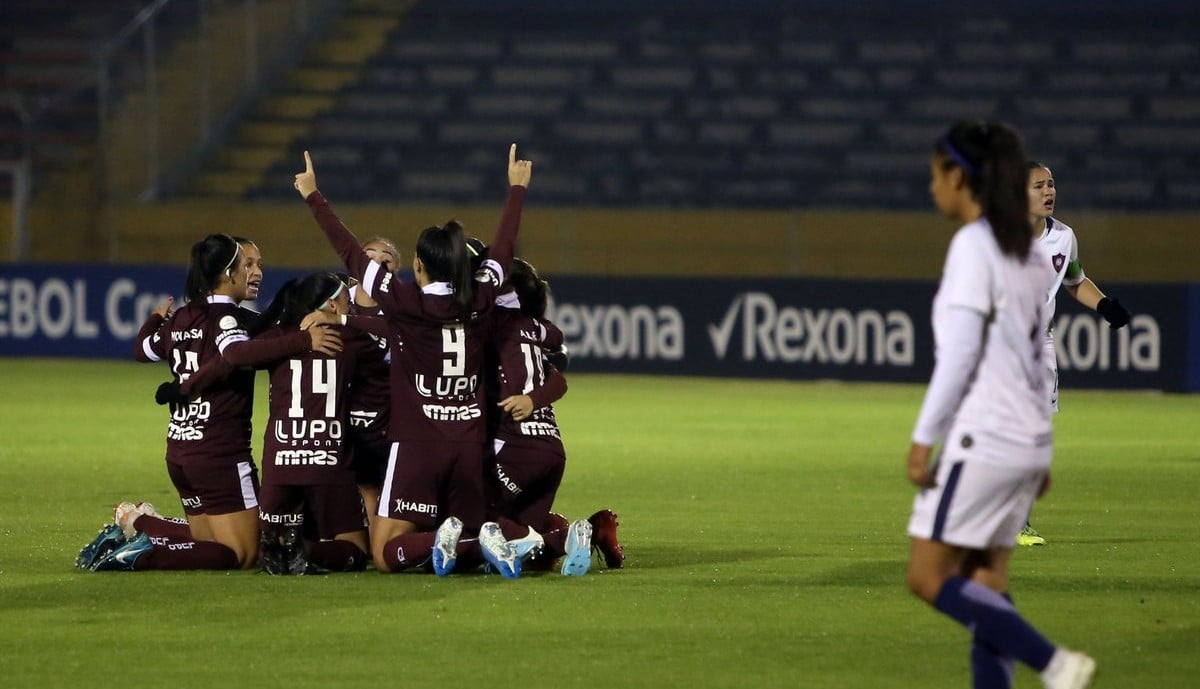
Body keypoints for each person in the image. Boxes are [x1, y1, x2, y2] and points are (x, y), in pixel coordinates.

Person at [904, 121, 1096, 689]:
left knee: (926, 576)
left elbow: (960, 357)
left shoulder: (974, 246)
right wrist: (1041, 449)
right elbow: (1037, 359)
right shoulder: (1032, 255)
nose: (932, 186)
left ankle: (1054, 663)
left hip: (985, 436)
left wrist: (921, 440)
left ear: (959, 176)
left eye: (937, 173)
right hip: (1026, 441)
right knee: (987, 584)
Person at [295, 144, 532, 578]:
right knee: (465, 531)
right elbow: (502, 252)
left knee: (386, 554)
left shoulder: (404, 301)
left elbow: (350, 252)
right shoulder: (481, 296)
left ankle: (450, 539)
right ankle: (496, 538)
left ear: (418, 265)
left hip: (416, 445)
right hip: (467, 444)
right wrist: (516, 190)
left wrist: (313, 194)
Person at [78, 234, 276, 571]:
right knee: (243, 555)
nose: (256, 272)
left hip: (181, 452)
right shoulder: (232, 322)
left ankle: (139, 523)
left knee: (209, 545)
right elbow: (233, 356)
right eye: (249, 265)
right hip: (220, 455)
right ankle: (145, 552)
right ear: (228, 273)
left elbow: (144, 351)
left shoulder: (182, 317)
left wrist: (156, 318)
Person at [220, 272, 373, 574]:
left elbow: (237, 355)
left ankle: (289, 545)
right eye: (346, 297)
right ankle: (307, 549)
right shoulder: (351, 339)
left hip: (280, 466)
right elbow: (398, 337)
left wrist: (299, 340)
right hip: (330, 464)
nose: (351, 304)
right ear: (331, 305)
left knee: (268, 546)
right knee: (356, 551)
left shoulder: (280, 340)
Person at [1017, 162, 1131, 546]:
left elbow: (1075, 280)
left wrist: (1104, 307)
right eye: (1038, 186)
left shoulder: (1063, 238)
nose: (1049, 191)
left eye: (1051, 184)